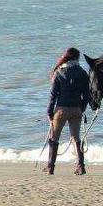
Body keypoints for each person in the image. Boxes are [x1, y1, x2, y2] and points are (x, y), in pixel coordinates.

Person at [44, 47, 90, 175]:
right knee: (76, 138)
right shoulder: (82, 73)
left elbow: (53, 95)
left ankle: (50, 167)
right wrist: (82, 108)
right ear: (77, 58)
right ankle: (81, 166)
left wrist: (49, 112)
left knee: (54, 138)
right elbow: (86, 95)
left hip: (61, 110)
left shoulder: (59, 72)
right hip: (76, 109)